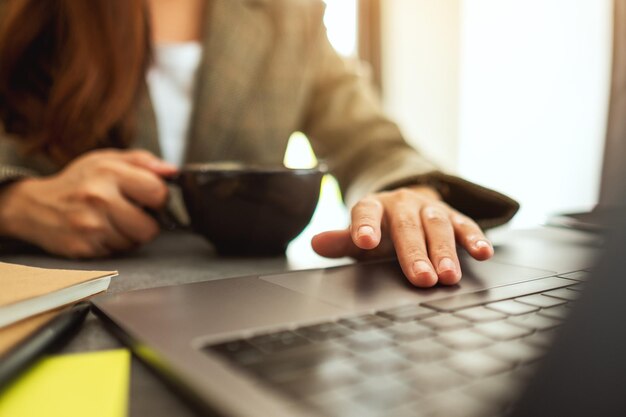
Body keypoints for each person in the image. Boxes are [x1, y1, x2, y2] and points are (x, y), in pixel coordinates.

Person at [0, 0, 518, 287]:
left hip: (242, 306)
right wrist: (15, 205)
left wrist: (409, 194)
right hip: (60, 310)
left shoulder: (290, 14)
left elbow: (372, 144)